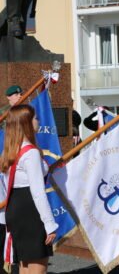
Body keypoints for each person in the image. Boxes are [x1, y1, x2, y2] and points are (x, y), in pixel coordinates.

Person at [0, 104, 58, 273]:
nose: (37, 121)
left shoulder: (10, 151)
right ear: (25, 122)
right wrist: (50, 224)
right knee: (37, 268)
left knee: (25, 266)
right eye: (34, 118)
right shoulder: (30, 152)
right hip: (30, 210)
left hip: (15, 208)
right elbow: (38, 193)